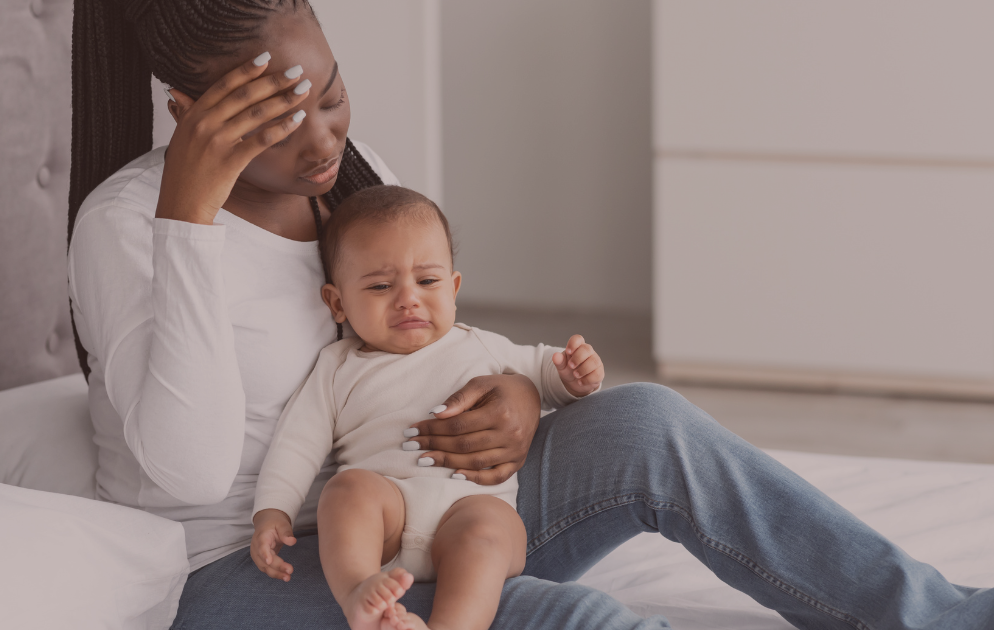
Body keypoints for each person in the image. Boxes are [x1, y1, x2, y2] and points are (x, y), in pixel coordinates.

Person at [66, 1, 993, 628]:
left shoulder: (357, 176)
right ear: (189, 113)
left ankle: (944, 617)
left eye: (333, 94)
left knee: (650, 423)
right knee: (575, 621)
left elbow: (429, 343)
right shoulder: (125, 229)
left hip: (426, 502)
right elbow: (185, 473)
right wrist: (187, 216)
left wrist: (514, 394)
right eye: (275, 119)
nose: (323, 139)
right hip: (251, 567)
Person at [250, 186, 605, 630]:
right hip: (388, 517)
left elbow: (546, 374)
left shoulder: (481, 345)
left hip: (469, 508)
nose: (408, 298)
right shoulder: (337, 367)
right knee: (346, 492)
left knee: (490, 531)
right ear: (337, 303)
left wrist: (573, 375)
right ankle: (360, 592)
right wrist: (273, 510)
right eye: (380, 285)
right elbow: (298, 443)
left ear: (453, 288)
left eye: (428, 281)